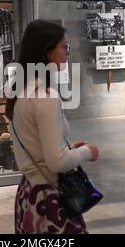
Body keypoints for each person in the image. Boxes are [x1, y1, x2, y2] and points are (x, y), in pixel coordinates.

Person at [6, 20, 100, 234]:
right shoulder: (45, 97)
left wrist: (70, 150)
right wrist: (86, 152)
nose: (67, 52)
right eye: (63, 47)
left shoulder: (20, 91)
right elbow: (56, 161)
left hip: (30, 194)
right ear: (48, 52)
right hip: (49, 201)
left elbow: (36, 145)